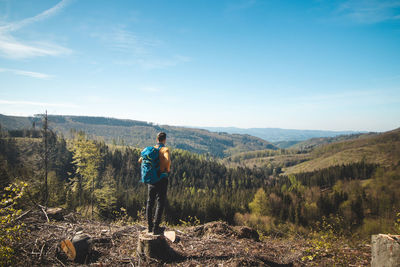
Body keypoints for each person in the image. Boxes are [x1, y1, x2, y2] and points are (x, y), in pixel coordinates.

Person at [139, 132, 171, 235]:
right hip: (161, 179)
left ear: (157, 139)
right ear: (164, 140)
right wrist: (166, 167)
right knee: (160, 202)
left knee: (150, 202)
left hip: (152, 179)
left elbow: (140, 160)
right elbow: (167, 160)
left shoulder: (151, 150)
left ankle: (149, 227)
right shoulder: (164, 149)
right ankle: (156, 228)